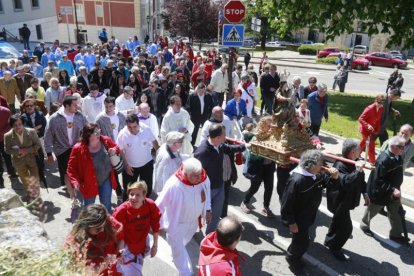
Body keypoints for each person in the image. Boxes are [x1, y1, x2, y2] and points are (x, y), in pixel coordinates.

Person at [281, 150, 339, 268]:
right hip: (298, 219)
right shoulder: (297, 180)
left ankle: (293, 254)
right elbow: (286, 204)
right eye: (320, 163)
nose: (322, 166)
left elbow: (325, 183)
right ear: (312, 165)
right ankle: (293, 260)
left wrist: (334, 177)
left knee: (299, 241)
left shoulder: (314, 175)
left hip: (307, 215)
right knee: (302, 242)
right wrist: (291, 223)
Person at [156, 158, 212, 276]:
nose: (199, 178)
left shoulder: (203, 177)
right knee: (180, 253)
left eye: (200, 174)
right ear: (186, 174)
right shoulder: (174, 185)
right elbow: (158, 206)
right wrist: (159, 226)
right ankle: (185, 272)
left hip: (193, 223)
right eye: (195, 176)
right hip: (177, 225)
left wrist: (207, 209)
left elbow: (207, 193)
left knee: (183, 244)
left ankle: (176, 252)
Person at [194, 124, 246, 234]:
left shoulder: (220, 145)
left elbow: (228, 148)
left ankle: (209, 238)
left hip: (219, 186)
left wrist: (244, 146)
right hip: (206, 190)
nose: (226, 137)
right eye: (224, 135)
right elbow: (195, 173)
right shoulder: (202, 152)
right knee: (197, 213)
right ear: (217, 137)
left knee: (215, 216)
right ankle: (192, 231)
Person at [324, 139, 368, 260]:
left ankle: (329, 241)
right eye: (359, 151)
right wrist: (358, 170)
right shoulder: (340, 165)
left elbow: (361, 179)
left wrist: (365, 193)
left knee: (337, 222)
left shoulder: (354, 162)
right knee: (347, 228)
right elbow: (346, 182)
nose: (360, 153)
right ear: (352, 152)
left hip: (346, 200)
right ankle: (335, 248)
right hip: (339, 201)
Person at [360, 136, 408, 243]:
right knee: (371, 211)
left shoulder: (398, 156)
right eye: (401, 147)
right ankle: (364, 225)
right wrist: (392, 189)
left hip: (393, 192)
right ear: (393, 146)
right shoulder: (383, 160)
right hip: (380, 192)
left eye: (403, 147)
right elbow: (379, 180)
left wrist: (396, 189)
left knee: (396, 213)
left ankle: (395, 234)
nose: (403, 149)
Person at [67, 124, 120, 212]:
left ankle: (106, 223)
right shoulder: (78, 148)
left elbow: (116, 147)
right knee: (89, 207)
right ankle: (89, 224)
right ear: (88, 135)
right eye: (96, 132)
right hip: (88, 183)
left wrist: (114, 150)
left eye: (99, 131)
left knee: (106, 205)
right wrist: (75, 182)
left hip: (105, 179)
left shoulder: (105, 140)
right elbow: (71, 168)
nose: (99, 134)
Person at [113, 181, 161, 275]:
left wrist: (155, 245)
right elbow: (119, 234)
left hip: (141, 245)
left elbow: (155, 225)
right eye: (131, 194)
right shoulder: (121, 211)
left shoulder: (150, 205)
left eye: (138, 195)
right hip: (126, 247)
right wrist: (120, 251)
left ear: (144, 196)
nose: (134, 198)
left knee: (136, 268)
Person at [66, 204, 123, 275]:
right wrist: (103, 265)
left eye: (103, 225)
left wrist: (120, 250)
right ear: (86, 225)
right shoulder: (75, 242)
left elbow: (121, 237)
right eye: (98, 228)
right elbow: (79, 272)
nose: (102, 230)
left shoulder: (105, 220)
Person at [45, 95, 88, 188]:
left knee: (77, 169)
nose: (78, 107)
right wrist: (49, 153)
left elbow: (87, 129)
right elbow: (48, 136)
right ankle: (70, 189)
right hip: (61, 149)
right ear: (67, 106)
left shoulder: (80, 115)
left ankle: (75, 186)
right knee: (67, 171)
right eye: (75, 105)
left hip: (77, 147)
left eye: (77, 105)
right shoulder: (54, 118)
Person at [117, 114, 159, 200]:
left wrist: (160, 155)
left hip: (146, 164)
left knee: (146, 190)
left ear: (139, 124)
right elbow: (120, 150)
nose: (132, 129)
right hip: (130, 167)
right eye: (129, 127)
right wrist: (126, 165)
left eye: (134, 126)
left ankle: (144, 206)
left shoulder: (146, 129)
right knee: (129, 190)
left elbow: (155, 142)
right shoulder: (122, 134)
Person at [241, 116, 276, 218]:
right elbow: (252, 155)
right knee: (254, 187)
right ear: (262, 125)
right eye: (268, 125)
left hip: (269, 166)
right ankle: (245, 201)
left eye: (271, 125)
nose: (271, 128)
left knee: (269, 188)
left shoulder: (274, 137)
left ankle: (266, 207)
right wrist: (264, 152)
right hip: (258, 167)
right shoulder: (256, 137)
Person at [4, 114, 42, 201]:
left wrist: (27, 150)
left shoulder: (31, 131)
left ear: (23, 123)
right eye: (15, 125)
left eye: (20, 124)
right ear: (12, 126)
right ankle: (30, 195)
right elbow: (7, 150)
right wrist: (18, 151)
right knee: (25, 180)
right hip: (18, 162)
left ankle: (36, 196)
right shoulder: (8, 136)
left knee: (35, 178)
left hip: (32, 159)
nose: (18, 127)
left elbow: (38, 145)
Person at [21, 99, 48, 187]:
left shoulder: (40, 114)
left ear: (35, 106)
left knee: (40, 155)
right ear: (24, 108)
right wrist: (34, 129)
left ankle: (41, 171)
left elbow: (43, 125)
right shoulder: (23, 116)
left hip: (39, 138)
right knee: (32, 156)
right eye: (27, 106)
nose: (29, 107)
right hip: (29, 140)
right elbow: (24, 129)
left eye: (31, 105)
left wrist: (33, 130)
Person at [358, 94, 385, 164]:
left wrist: (377, 129)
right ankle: (373, 163)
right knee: (371, 145)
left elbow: (378, 120)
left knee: (363, 142)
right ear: (376, 101)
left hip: (371, 130)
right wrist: (367, 126)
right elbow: (361, 118)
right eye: (379, 103)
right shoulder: (369, 108)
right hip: (364, 130)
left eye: (382, 103)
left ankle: (354, 153)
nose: (380, 105)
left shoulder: (381, 108)